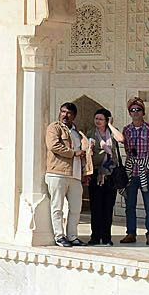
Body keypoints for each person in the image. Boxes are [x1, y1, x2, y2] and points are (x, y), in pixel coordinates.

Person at [120, 98, 149, 245]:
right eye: (132, 110)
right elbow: (125, 148)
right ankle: (131, 233)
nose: (135, 112)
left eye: (138, 110)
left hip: (146, 171)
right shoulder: (127, 129)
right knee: (130, 205)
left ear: (143, 112)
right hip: (132, 171)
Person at [45, 102, 87, 246]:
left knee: (75, 208)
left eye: (68, 113)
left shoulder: (77, 132)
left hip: (75, 174)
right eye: (63, 111)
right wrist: (73, 153)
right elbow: (53, 146)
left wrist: (85, 171)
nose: (65, 115)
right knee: (57, 207)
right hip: (58, 172)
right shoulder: (54, 128)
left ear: (74, 115)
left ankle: (72, 236)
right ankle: (59, 236)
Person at [85, 108, 124, 245]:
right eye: (96, 118)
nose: (98, 121)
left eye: (101, 119)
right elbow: (88, 152)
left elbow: (121, 139)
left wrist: (111, 125)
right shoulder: (91, 133)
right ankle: (95, 236)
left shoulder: (112, 133)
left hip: (110, 174)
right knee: (96, 208)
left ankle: (106, 237)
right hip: (96, 174)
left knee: (108, 207)